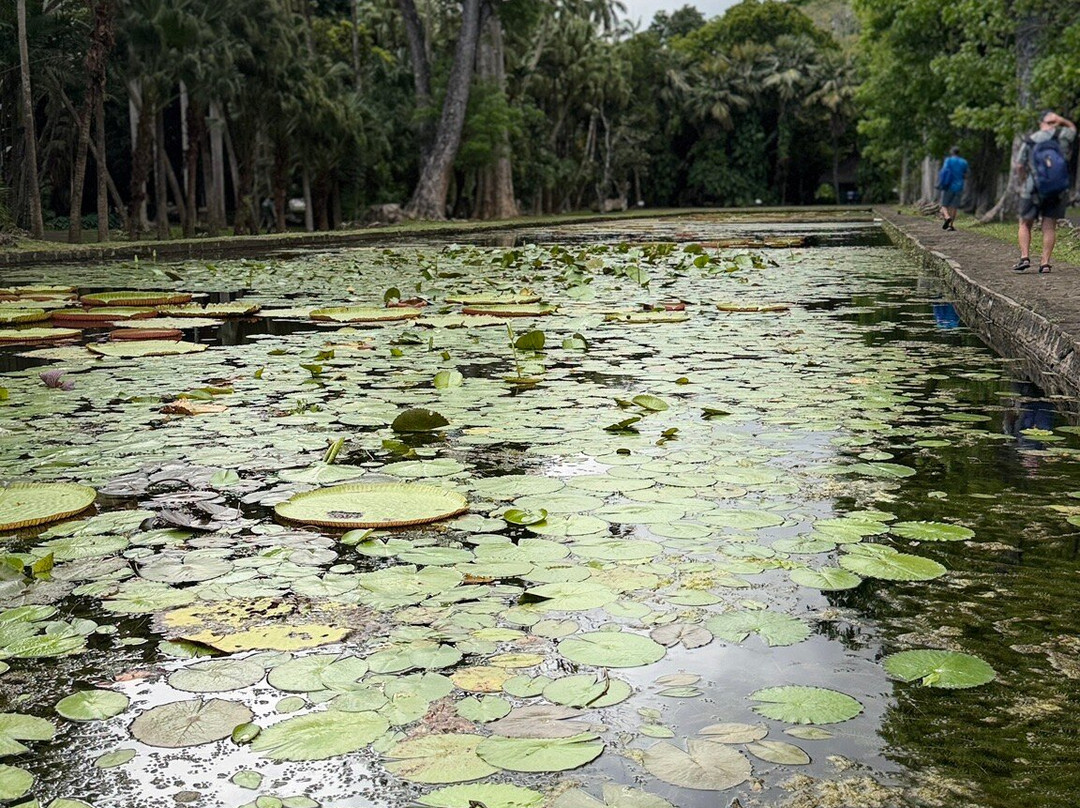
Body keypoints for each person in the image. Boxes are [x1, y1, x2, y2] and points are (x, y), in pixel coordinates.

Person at [1013, 111, 1076, 273]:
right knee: (1049, 227)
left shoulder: (1030, 140)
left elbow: (1019, 165)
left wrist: (1023, 181)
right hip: (1056, 189)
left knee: (1024, 223)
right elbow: (1073, 129)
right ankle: (1045, 263)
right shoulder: (1061, 136)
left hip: (1032, 188)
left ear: (1040, 123)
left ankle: (1024, 257)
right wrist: (1061, 120)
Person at [937, 146, 968, 231]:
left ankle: (947, 217)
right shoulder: (964, 162)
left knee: (944, 205)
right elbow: (966, 174)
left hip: (948, 185)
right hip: (959, 186)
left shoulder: (948, 160)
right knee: (954, 206)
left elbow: (944, 171)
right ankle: (951, 226)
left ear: (952, 152)